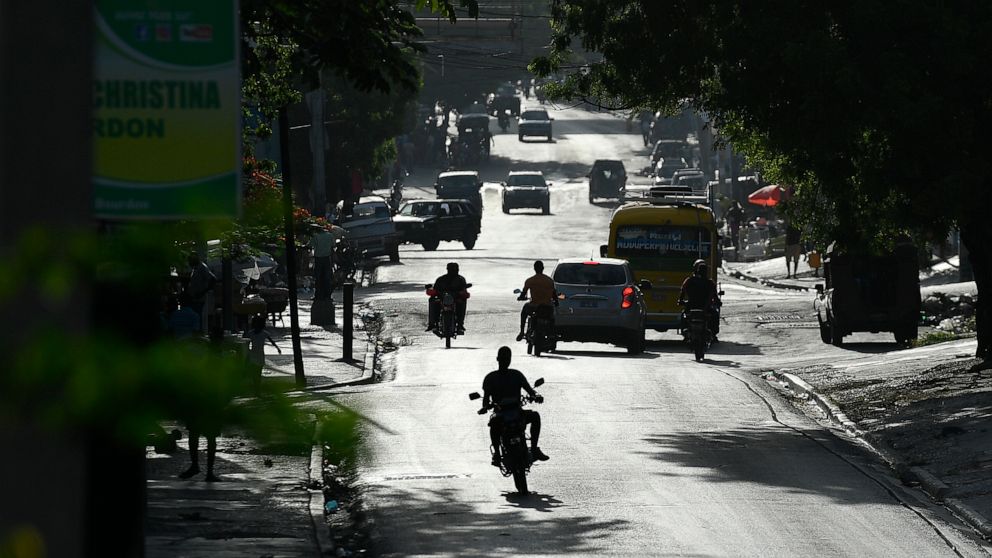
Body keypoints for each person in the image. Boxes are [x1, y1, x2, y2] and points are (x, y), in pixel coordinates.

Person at [480, 346, 549, 466]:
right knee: (494, 425)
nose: (505, 361)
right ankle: (496, 453)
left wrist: (536, 396)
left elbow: (530, 391)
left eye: (507, 358)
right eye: (503, 358)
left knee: (535, 416)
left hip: (517, 413)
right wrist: (485, 407)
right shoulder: (490, 378)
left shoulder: (516, 375)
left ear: (510, 360)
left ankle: (533, 448)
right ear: (497, 359)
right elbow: (485, 400)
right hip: (501, 415)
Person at [678, 259, 722, 341]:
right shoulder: (709, 282)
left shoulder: (690, 281)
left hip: (696, 307)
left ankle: (712, 334)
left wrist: (680, 300)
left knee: (684, 315)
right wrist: (717, 302)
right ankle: (712, 335)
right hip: (702, 308)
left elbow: (682, 291)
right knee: (684, 316)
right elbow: (715, 296)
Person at [516, 260, 557, 341]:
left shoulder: (530, 280)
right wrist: (556, 302)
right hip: (547, 307)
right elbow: (554, 294)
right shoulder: (549, 281)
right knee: (552, 317)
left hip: (534, 307)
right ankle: (551, 333)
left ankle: (521, 332)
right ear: (543, 268)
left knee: (524, 311)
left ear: (534, 268)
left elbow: (523, 294)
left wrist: (520, 297)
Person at [243, 314, 281, 395]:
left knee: (258, 373)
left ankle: (257, 389)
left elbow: (272, 341)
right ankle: (256, 388)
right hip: (253, 355)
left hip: (259, 355)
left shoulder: (263, 333)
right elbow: (245, 341)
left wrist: (277, 348)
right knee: (255, 373)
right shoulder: (251, 333)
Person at [427, 262, 469, 334]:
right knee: (433, 301)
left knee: (462, 302)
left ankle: (460, 324)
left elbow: (464, 290)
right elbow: (435, 290)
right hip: (442, 298)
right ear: (447, 269)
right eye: (451, 269)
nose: (453, 271)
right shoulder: (441, 279)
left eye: (454, 269)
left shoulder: (460, 279)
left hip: (455, 299)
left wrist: (462, 294)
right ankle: (432, 323)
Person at [310, 223, 346, 300]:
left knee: (318, 277)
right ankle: (328, 295)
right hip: (327, 258)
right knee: (327, 277)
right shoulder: (329, 235)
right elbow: (333, 245)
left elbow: (310, 245)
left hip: (318, 259)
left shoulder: (315, 236)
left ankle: (318, 294)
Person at [185, 253, 216, 333]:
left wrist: (202, 292)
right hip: (193, 298)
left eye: (190, 261)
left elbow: (213, 279)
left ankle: (198, 335)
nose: (189, 263)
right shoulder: (195, 268)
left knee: (197, 318)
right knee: (194, 318)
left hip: (198, 299)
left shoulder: (202, 267)